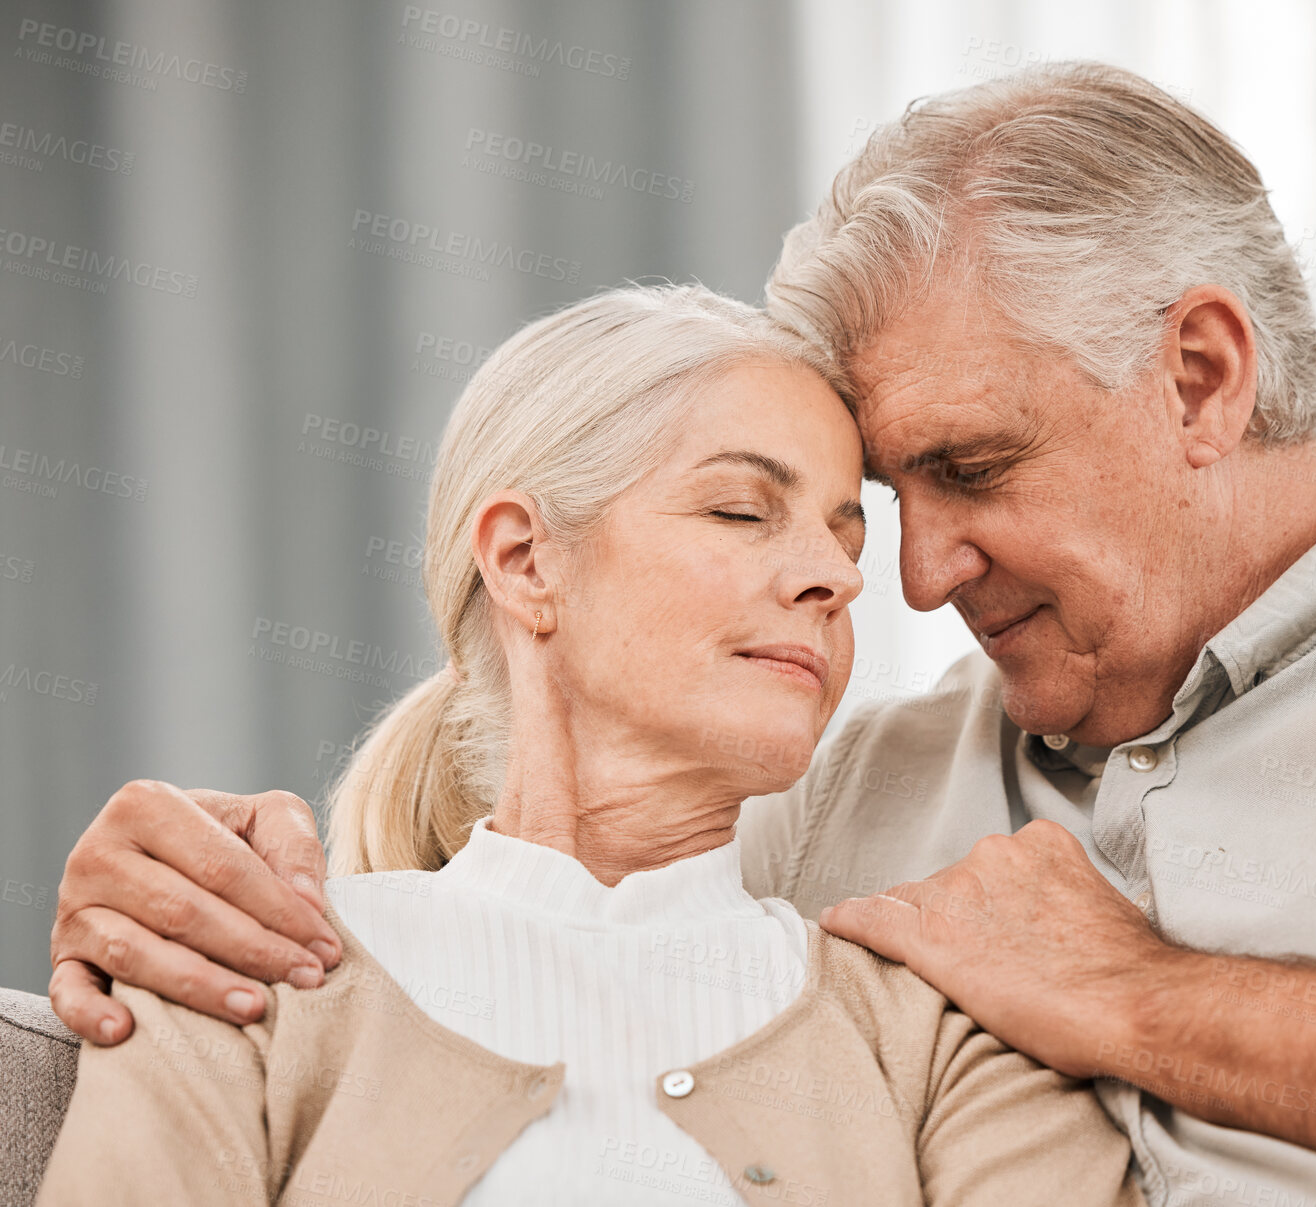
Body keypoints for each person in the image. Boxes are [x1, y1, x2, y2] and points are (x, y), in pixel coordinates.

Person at [49, 63, 1316, 1207]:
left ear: (1199, 377)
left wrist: (1141, 995)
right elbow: (554, 879)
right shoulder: (832, 793)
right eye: (878, 501)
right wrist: (174, 885)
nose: (908, 578)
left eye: (965, 469)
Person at [37, 284, 1141, 1206]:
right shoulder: (234, 974)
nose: (838, 575)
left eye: (845, 532)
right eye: (741, 512)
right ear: (524, 562)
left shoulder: (946, 1034)